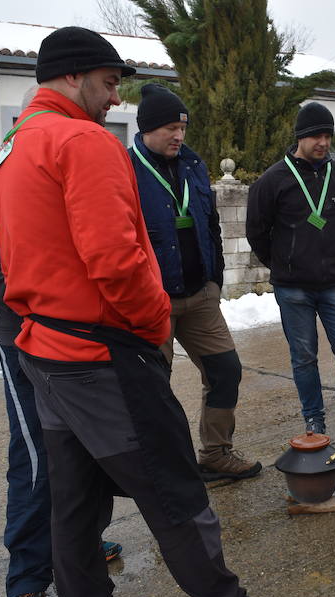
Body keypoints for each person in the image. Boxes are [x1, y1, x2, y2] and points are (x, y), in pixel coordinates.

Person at [0, 26, 249, 597]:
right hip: (100, 353)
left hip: (45, 353)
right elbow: (115, 258)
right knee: (177, 496)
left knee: (76, 507)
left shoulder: (14, 144)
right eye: (108, 84)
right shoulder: (81, 142)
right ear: (73, 75)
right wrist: (156, 319)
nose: (115, 99)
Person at [0, 88, 121, 597]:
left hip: (80, 341)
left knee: (84, 453)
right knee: (35, 457)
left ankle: (79, 547)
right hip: (24, 343)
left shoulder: (62, 170)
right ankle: (27, 580)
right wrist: (30, 302)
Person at [130, 84, 261, 483]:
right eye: (170, 127)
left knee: (226, 371)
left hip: (200, 296)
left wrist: (215, 280)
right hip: (154, 301)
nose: (179, 135)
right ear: (147, 128)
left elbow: (210, 223)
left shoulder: (192, 165)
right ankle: (164, 468)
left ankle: (216, 454)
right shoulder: (124, 169)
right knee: (155, 391)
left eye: (183, 127)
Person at [246, 102, 335, 441]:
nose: (324, 142)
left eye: (328, 135)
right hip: (293, 288)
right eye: (317, 135)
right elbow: (256, 231)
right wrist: (282, 263)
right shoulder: (273, 180)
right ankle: (314, 419)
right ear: (301, 136)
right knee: (304, 357)